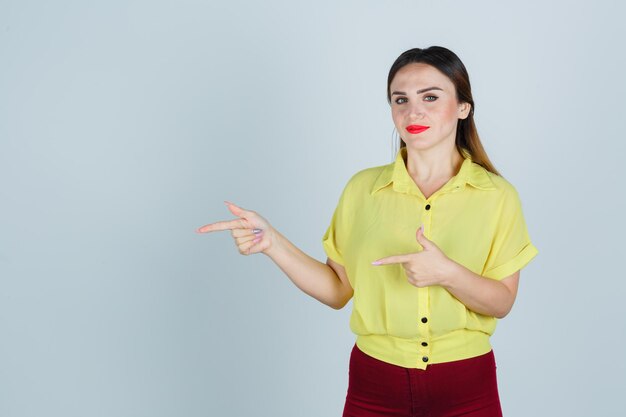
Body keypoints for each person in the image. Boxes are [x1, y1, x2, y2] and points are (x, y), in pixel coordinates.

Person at [197, 46, 538, 417]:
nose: (413, 111)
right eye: (400, 100)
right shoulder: (362, 190)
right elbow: (337, 290)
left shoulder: (497, 196)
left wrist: (447, 274)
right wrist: (272, 243)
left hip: (466, 385)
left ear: (463, 107)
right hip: (374, 383)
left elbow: (502, 302)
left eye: (430, 97)